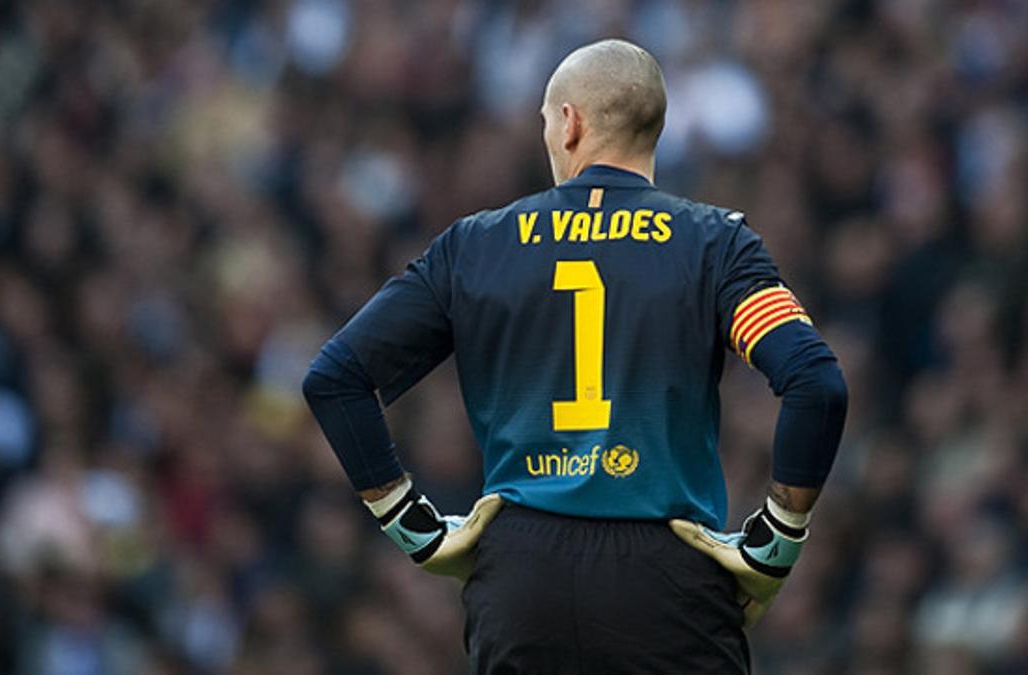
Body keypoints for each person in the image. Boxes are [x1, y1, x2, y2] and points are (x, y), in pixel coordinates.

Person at [303, 39, 847, 673]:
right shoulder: (715, 245)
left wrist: (413, 527)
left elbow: (336, 378)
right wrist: (778, 538)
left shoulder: (475, 247)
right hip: (664, 577)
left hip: (521, 579)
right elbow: (817, 383)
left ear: (570, 123)